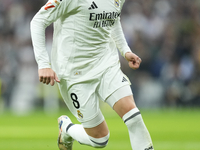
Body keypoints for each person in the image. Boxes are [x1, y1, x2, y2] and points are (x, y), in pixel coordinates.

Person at [30, 0, 154, 149]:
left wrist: (125, 50)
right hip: (74, 72)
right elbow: (38, 21)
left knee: (133, 117)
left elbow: (112, 19)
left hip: (106, 64)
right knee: (100, 139)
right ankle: (66, 128)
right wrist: (44, 64)